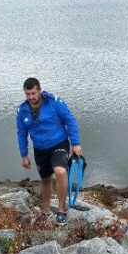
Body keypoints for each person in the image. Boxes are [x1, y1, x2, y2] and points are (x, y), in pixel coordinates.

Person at [16, 78, 82, 225]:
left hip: (59, 143)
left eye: (33, 93)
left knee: (60, 171)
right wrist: (24, 154)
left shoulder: (54, 102)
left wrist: (76, 143)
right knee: (45, 180)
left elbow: (70, 120)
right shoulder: (22, 110)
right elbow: (21, 133)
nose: (31, 97)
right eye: (27, 94)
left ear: (40, 90)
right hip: (40, 148)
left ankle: (61, 210)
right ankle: (46, 211)